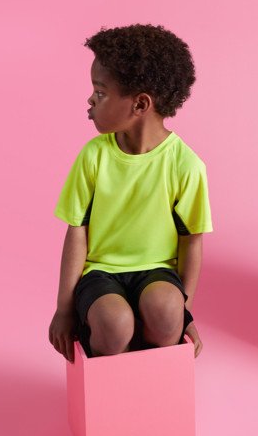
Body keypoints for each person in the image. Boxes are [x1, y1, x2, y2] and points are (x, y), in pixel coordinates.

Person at [48, 24, 211, 362]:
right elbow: (76, 232)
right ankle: (108, 368)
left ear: (140, 104)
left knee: (166, 310)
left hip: (158, 271)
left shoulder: (186, 165)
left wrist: (185, 314)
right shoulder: (93, 156)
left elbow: (191, 241)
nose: (90, 100)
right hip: (100, 272)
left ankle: (151, 378)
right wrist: (63, 310)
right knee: (114, 323)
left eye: (100, 92)